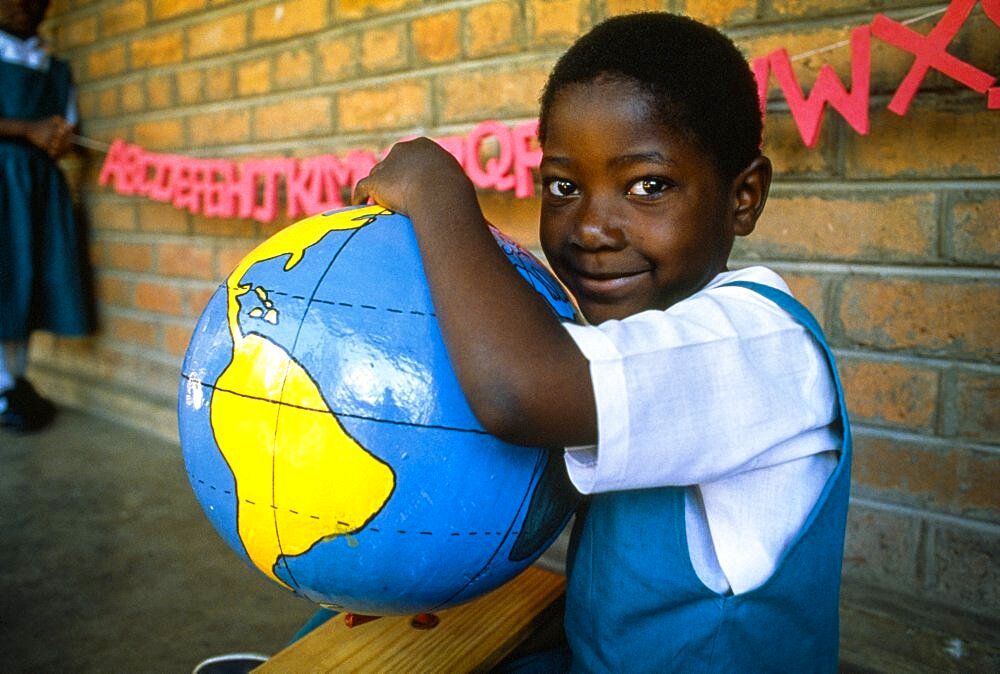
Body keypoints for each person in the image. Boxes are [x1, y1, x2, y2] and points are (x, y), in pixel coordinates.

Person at [201, 11, 851, 673]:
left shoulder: (756, 348)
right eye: (564, 187)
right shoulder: (644, 338)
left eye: (647, 186)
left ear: (744, 197)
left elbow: (516, 393)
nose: (594, 228)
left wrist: (439, 195)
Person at [1, 0, 91, 432]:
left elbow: (67, 128)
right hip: (3, 180)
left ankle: (15, 379)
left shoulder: (54, 67)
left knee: (28, 278)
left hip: (37, 186)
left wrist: (59, 140)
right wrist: (27, 130)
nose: (21, 5)